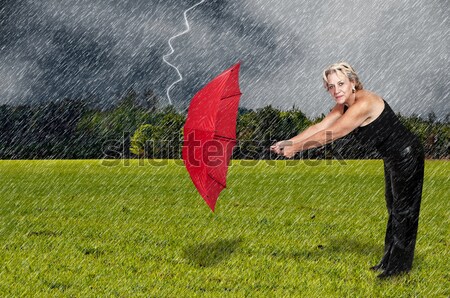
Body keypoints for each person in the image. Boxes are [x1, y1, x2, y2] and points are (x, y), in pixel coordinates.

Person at [271, 62, 424, 279]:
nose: (336, 90)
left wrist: (296, 149)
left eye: (341, 84)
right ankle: (389, 261)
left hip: (407, 154)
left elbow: (331, 133)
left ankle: (398, 269)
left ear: (353, 82)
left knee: (404, 210)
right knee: (394, 206)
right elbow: (319, 127)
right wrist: (288, 142)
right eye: (331, 87)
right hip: (392, 156)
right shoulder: (343, 105)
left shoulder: (363, 104)